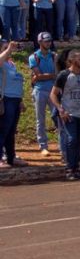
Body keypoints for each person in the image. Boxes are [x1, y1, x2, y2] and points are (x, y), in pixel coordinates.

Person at [50, 50, 80, 180]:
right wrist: (60, 109)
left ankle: (76, 168)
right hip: (69, 113)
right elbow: (53, 94)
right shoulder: (64, 75)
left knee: (78, 141)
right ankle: (70, 168)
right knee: (71, 140)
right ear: (72, 60)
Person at [28, 33, 58, 156]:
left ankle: (62, 145)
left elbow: (54, 73)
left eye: (49, 41)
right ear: (40, 42)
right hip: (40, 90)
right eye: (46, 41)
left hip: (53, 91)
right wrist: (46, 76)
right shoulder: (34, 57)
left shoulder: (54, 56)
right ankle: (43, 146)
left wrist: (41, 76)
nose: (48, 43)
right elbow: (38, 75)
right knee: (40, 119)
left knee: (57, 117)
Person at [0, 40, 26, 169]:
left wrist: (20, 100)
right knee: (3, 130)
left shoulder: (11, 64)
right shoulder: (1, 62)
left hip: (15, 99)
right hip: (6, 99)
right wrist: (9, 49)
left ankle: (11, 157)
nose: (10, 50)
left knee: (11, 131)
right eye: (5, 48)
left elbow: (16, 82)